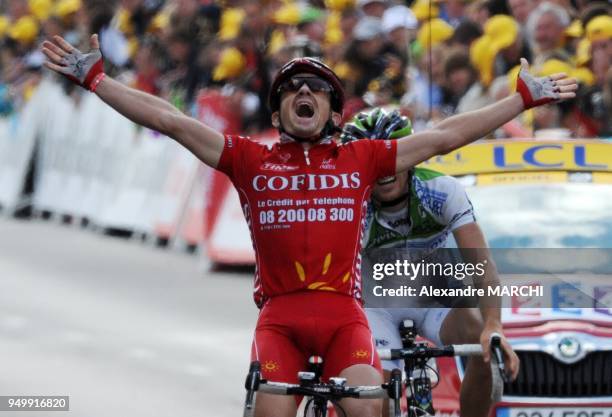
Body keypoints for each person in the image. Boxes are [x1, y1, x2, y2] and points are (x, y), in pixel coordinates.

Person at [41, 33, 576, 417]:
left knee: (370, 408)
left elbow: (444, 137)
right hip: (279, 319)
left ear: (333, 112)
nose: (304, 92)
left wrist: (521, 99)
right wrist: (96, 80)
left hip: (346, 318)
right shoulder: (249, 159)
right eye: (293, 87)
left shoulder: (361, 160)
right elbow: (171, 120)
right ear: (277, 114)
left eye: (317, 89)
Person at [342, 107, 518, 417]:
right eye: (374, 159)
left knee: (481, 344)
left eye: (393, 156)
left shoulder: (441, 191)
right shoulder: (352, 205)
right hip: (376, 305)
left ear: (411, 157)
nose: (384, 169)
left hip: (433, 297)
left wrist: (494, 324)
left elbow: (481, 265)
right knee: (379, 389)